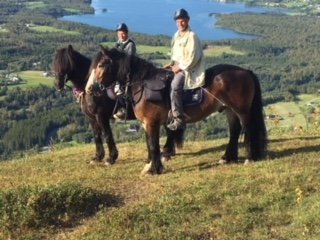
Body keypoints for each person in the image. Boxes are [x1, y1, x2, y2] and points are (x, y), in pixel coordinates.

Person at [165, 8, 205, 131]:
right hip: (177, 67)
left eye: (182, 21)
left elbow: (192, 58)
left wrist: (179, 67)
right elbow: (175, 54)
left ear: (187, 21)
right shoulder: (176, 36)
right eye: (178, 22)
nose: (180, 24)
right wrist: (171, 64)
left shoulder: (191, 36)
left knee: (175, 86)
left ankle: (179, 119)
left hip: (188, 70)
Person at [113, 23, 136, 119]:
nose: (121, 35)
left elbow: (128, 61)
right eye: (119, 33)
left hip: (128, 71)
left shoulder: (130, 44)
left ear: (126, 34)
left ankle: (124, 110)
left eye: (123, 33)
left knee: (120, 90)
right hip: (119, 70)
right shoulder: (118, 43)